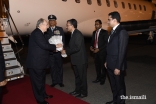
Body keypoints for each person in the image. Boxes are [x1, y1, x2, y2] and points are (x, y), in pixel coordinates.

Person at [26, 18, 62, 104]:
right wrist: (55, 46)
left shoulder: (40, 33)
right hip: (36, 63)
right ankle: (40, 100)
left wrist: (53, 49)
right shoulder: (37, 33)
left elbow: (43, 47)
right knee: (37, 83)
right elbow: (44, 45)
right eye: (46, 24)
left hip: (40, 63)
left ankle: (43, 95)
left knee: (41, 81)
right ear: (41, 25)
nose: (48, 26)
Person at [105, 11, 129, 104]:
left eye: (109, 19)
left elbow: (122, 52)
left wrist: (118, 67)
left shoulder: (122, 32)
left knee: (120, 86)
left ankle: (121, 102)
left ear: (115, 20)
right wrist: (106, 61)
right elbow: (109, 48)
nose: (108, 21)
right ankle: (115, 101)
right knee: (114, 85)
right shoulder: (112, 31)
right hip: (110, 63)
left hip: (117, 65)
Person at [62, 19, 88, 98]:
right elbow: (71, 46)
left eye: (67, 25)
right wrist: (63, 48)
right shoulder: (73, 34)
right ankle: (77, 91)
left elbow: (77, 48)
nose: (66, 27)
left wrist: (66, 51)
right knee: (77, 76)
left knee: (82, 77)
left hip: (80, 60)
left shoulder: (78, 34)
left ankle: (84, 93)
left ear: (72, 26)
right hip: (76, 60)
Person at [44, 14, 65, 87]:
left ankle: (60, 81)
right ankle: (54, 81)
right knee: (52, 67)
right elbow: (45, 42)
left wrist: (62, 49)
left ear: (55, 22)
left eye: (53, 20)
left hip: (58, 52)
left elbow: (63, 40)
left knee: (59, 67)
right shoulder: (46, 30)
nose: (51, 22)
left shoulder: (60, 29)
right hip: (51, 53)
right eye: (50, 21)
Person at [90, 19, 108, 85]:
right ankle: (98, 78)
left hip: (102, 53)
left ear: (100, 25)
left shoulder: (104, 32)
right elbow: (92, 41)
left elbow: (107, 43)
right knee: (97, 66)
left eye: (97, 24)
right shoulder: (94, 32)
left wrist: (99, 49)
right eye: (95, 24)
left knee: (103, 67)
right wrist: (91, 47)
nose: (96, 26)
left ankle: (102, 79)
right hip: (95, 53)